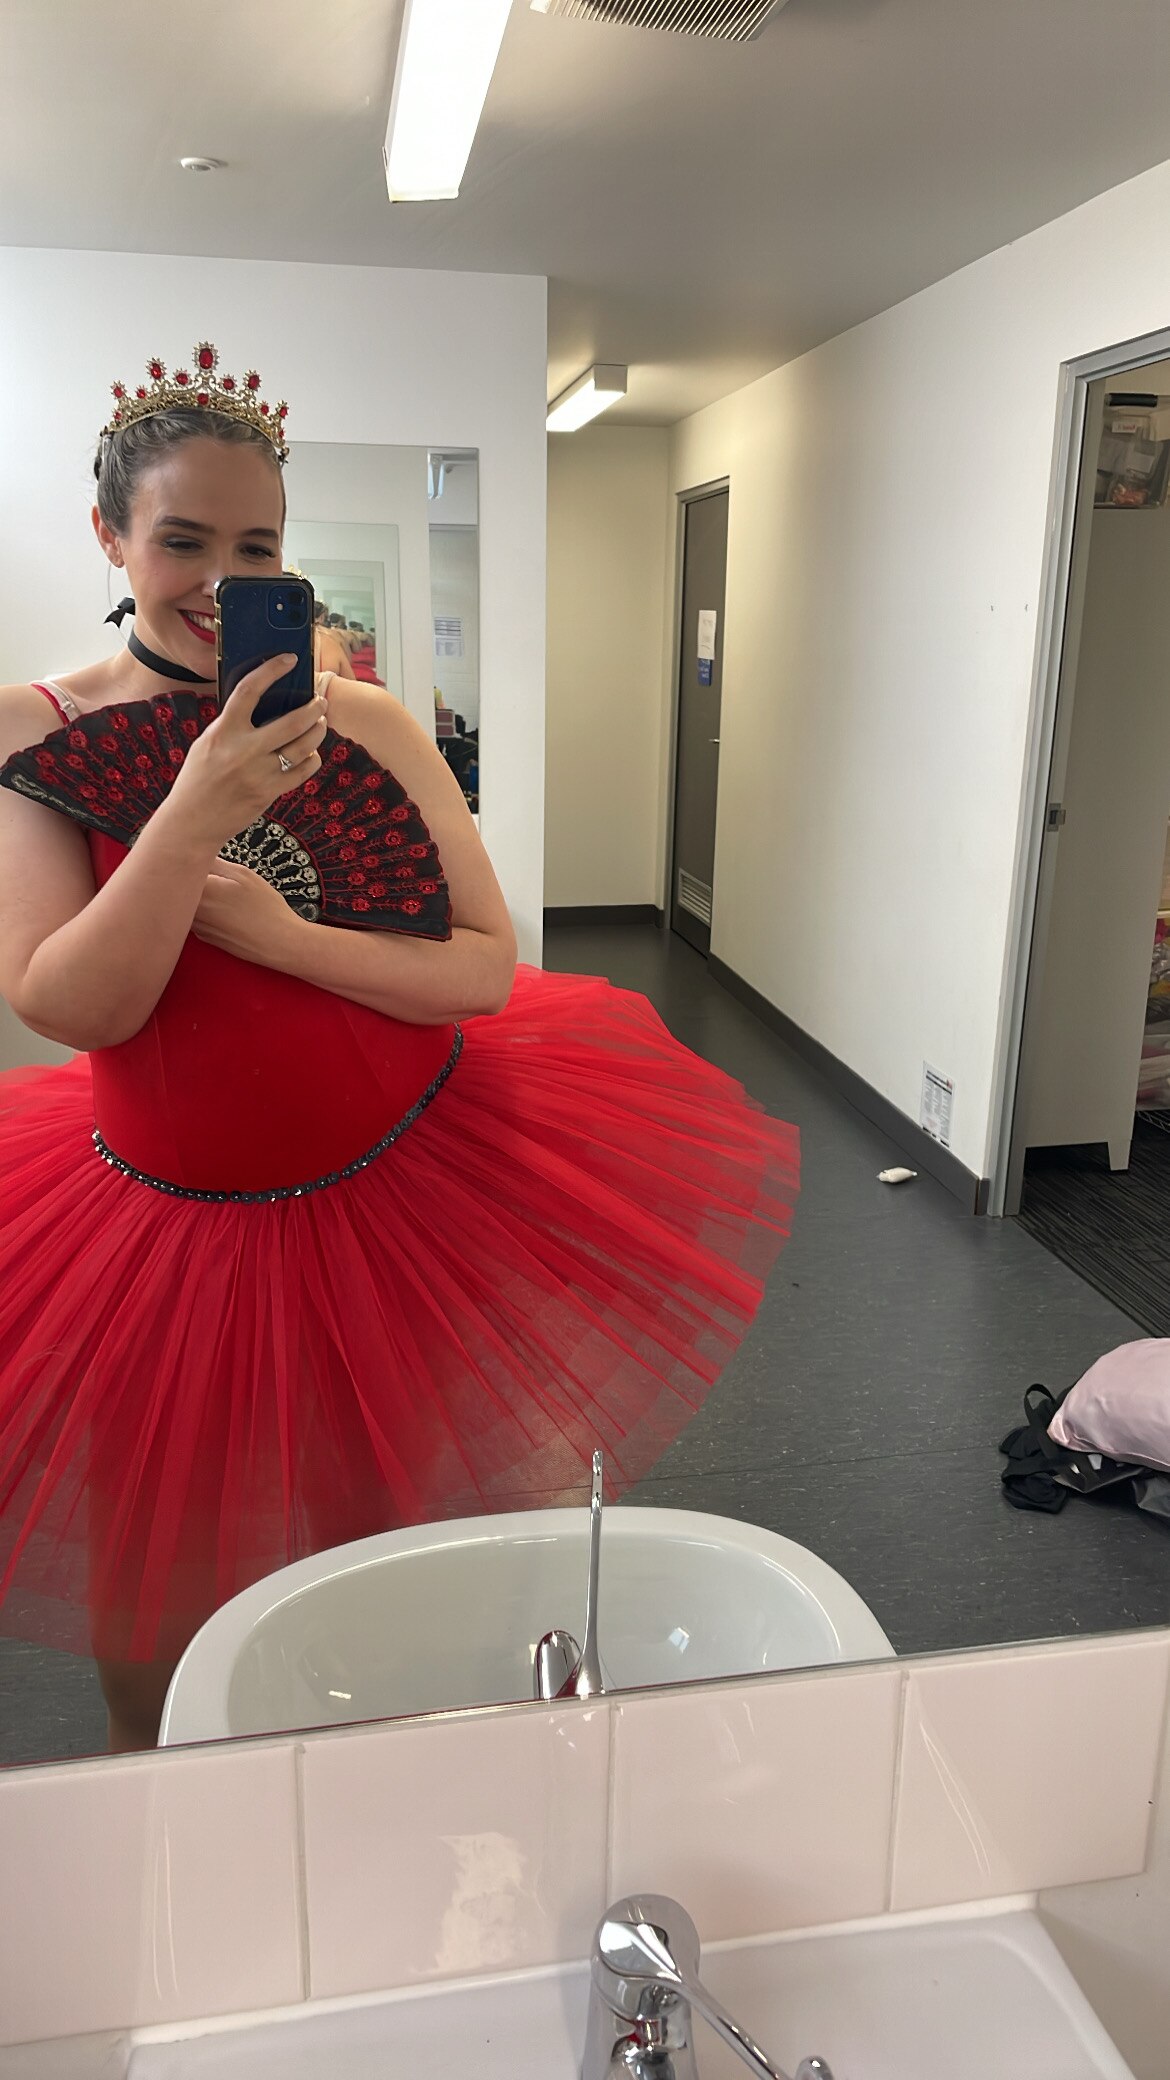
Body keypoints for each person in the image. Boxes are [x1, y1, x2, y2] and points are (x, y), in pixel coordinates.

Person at [0, 343, 799, 1754]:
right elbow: (69, 1006)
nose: (210, 577)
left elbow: (482, 967)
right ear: (110, 534)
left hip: (403, 1184)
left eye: (253, 547)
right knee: (158, 1624)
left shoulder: (361, 718)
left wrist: (275, 933)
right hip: (156, 1225)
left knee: (387, 1553)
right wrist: (191, 813)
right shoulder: (38, 733)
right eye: (180, 539)